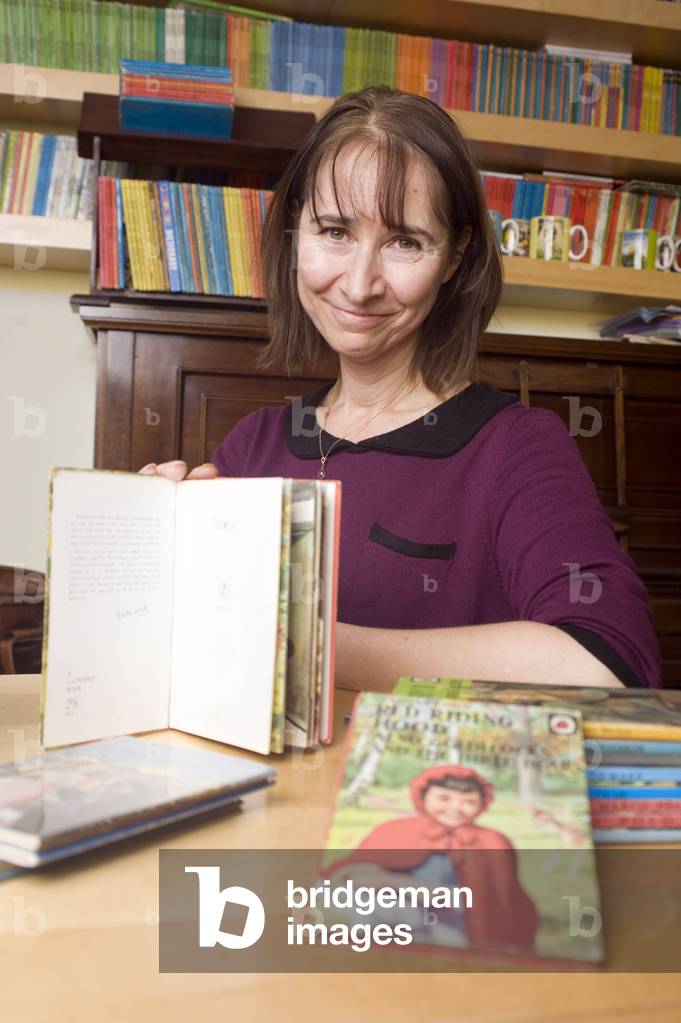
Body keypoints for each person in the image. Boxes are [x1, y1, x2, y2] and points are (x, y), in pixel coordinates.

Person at [139, 85, 661, 690]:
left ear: (456, 257)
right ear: (293, 234)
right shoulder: (252, 446)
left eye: (405, 242)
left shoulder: (517, 447)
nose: (359, 285)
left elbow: (607, 662)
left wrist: (306, 645)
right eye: (334, 231)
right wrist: (155, 550)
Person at [322, 764, 538, 951]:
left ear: (482, 804)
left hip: (455, 922)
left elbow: (501, 898)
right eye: (443, 798)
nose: (455, 808)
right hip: (390, 913)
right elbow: (354, 875)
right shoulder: (396, 831)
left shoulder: (493, 841)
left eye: (468, 801)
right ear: (423, 797)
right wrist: (408, 887)